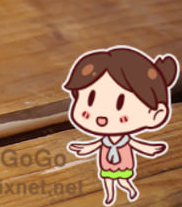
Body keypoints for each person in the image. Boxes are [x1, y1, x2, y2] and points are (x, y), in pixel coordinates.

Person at [63, 46, 178, 205]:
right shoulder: (105, 139)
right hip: (107, 163)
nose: (101, 116)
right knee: (108, 180)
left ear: (156, 114)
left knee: (123, 180)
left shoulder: (126, 139)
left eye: (120, 103)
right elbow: (97, 144)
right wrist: (85, 148)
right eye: (90, 99)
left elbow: (136, 144)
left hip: (124, 163)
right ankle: (110, 195)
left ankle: (130, 190)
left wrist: (148, 148)